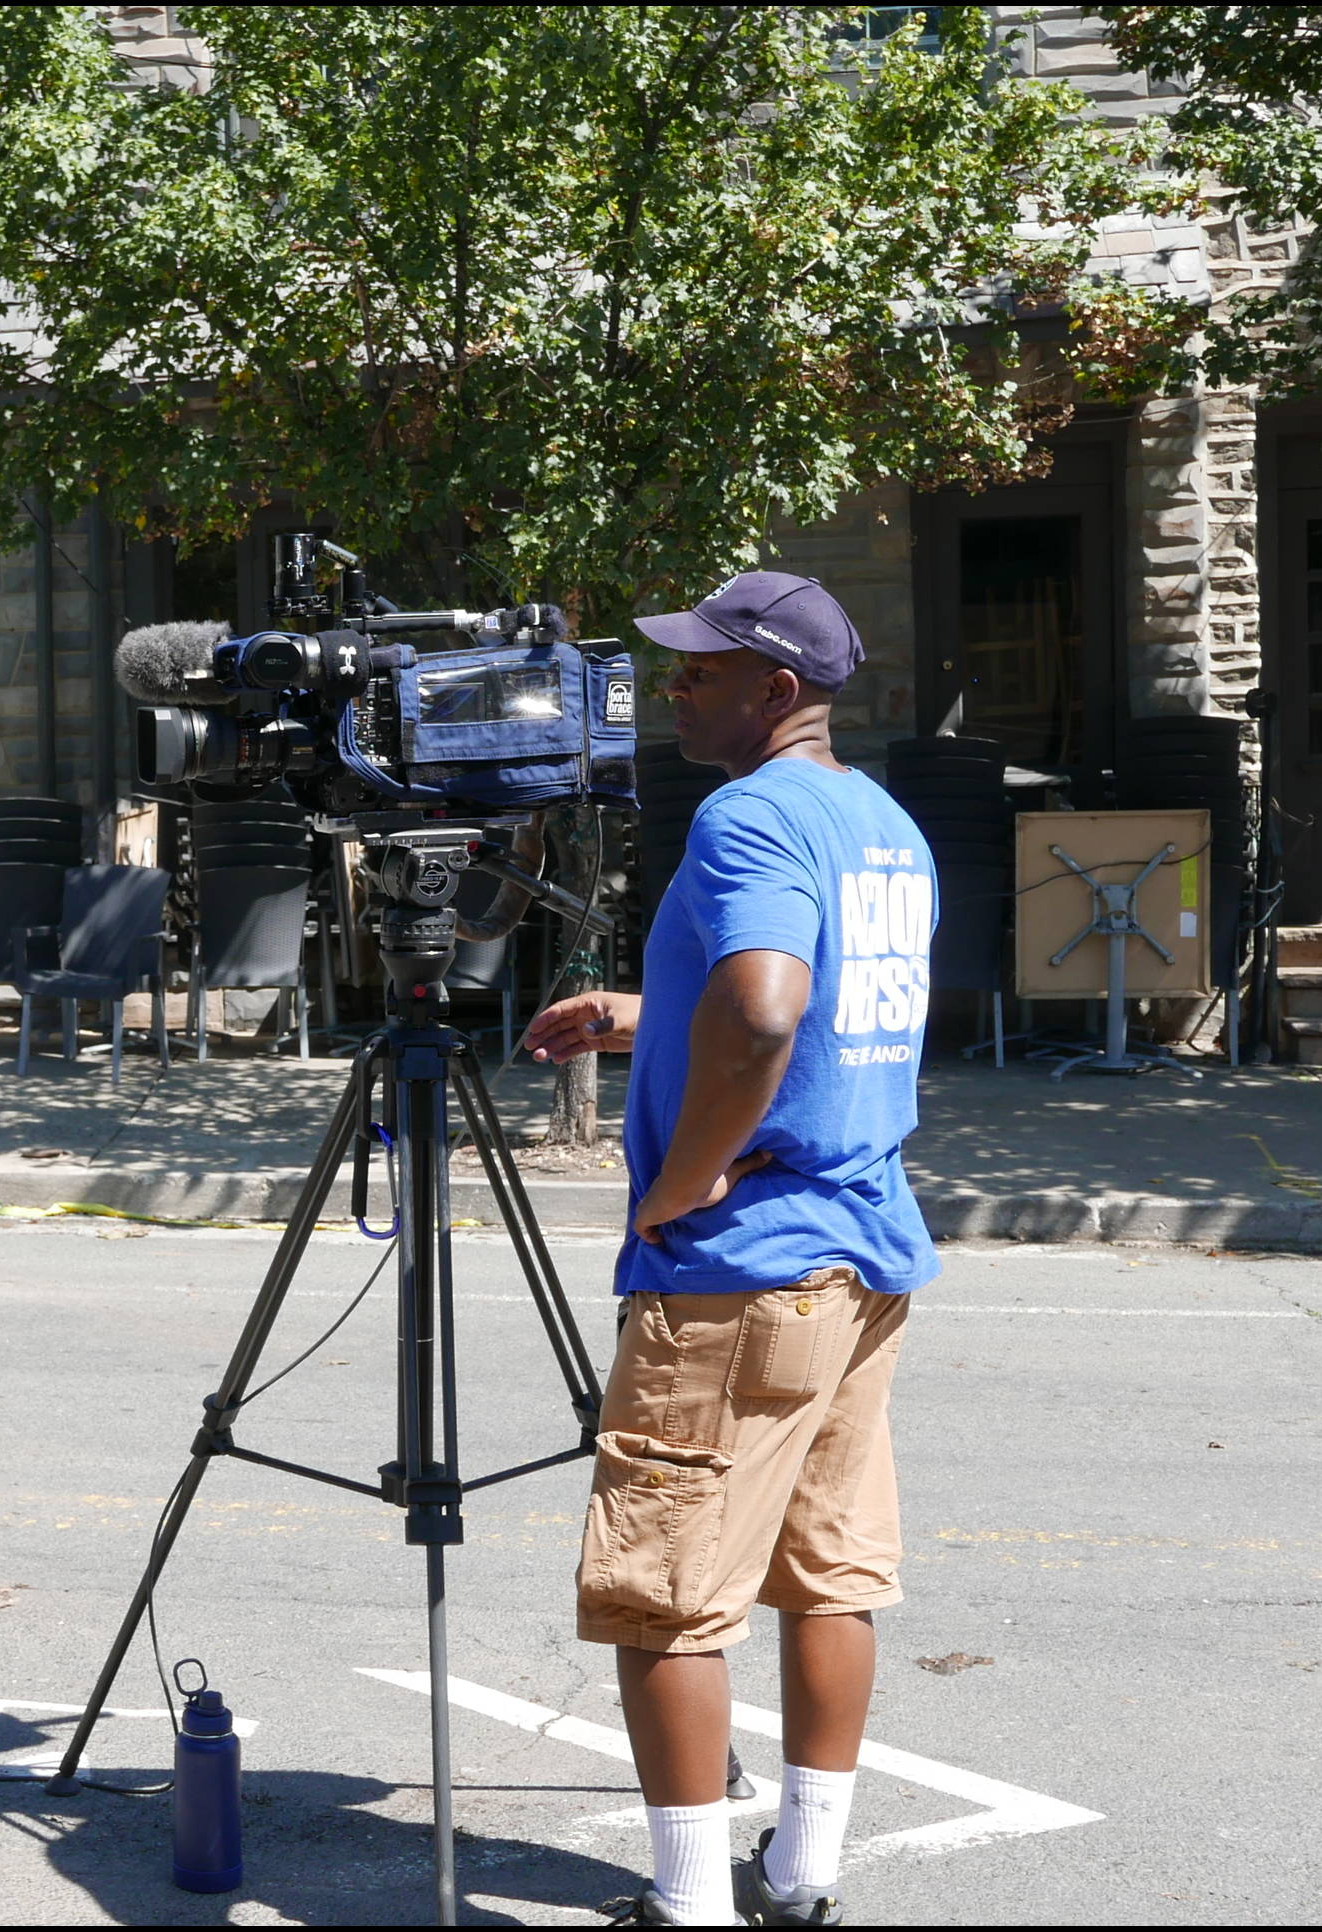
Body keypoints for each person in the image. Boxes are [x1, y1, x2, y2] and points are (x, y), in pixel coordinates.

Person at [517, 572, 938, 1929]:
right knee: (829, 1575)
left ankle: (690, 1906)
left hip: (742, 1264)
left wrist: (672, 1187)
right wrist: (656, 1010)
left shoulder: (744, 812)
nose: (675, 685)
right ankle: (801, 1874)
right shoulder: (877, 822)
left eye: (704, 670)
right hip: (862, 1256)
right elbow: (801, 1008)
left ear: (779, 692)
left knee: (665, 1598)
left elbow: (764, 1017)